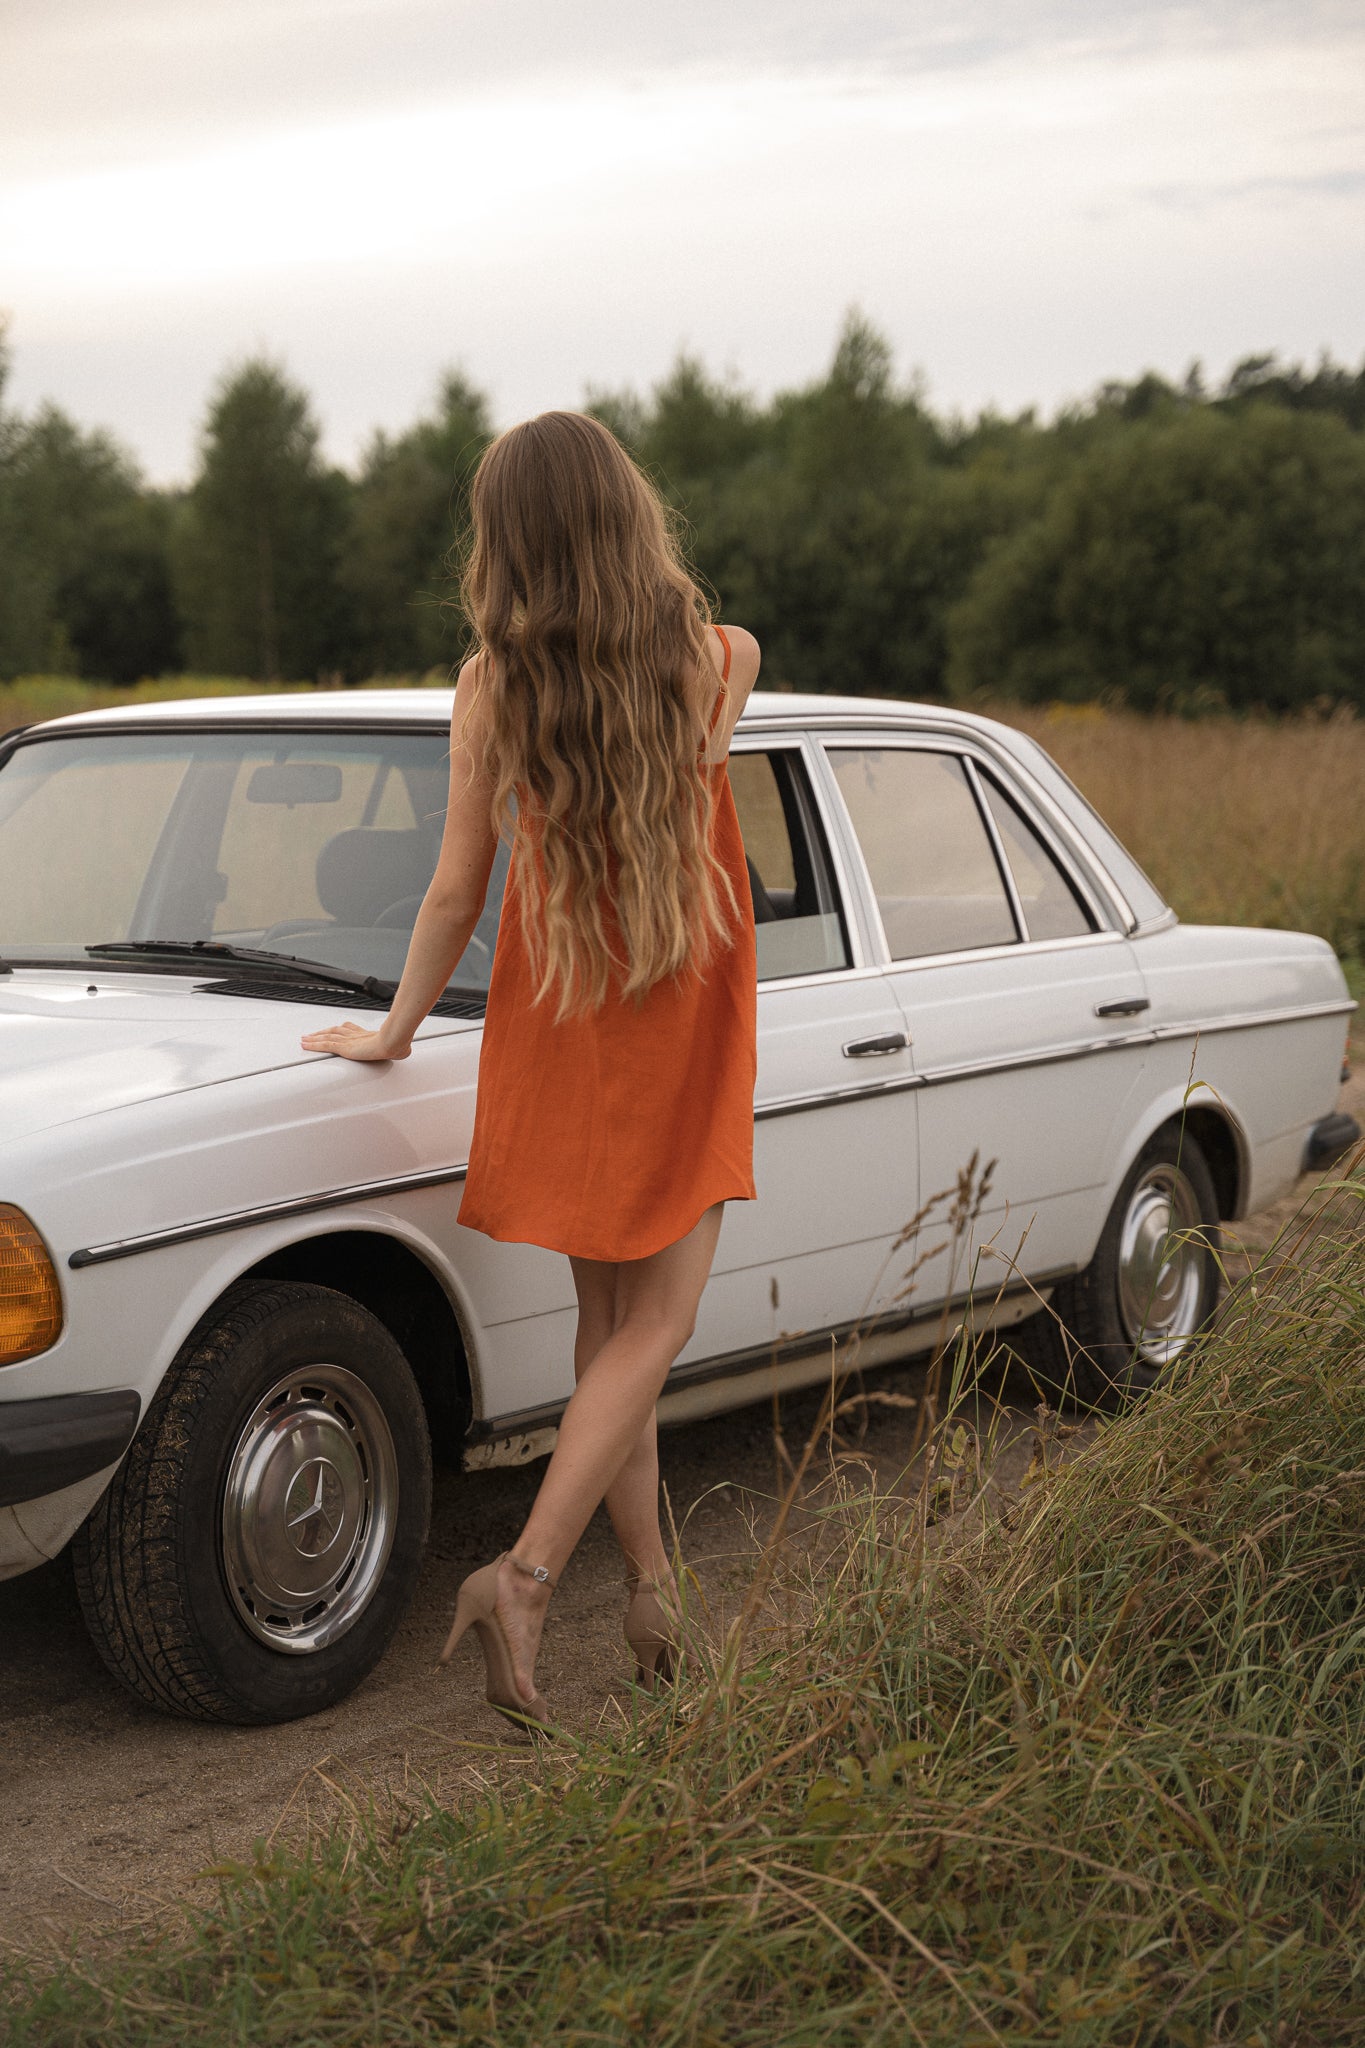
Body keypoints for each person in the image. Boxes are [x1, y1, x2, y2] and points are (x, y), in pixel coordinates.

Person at [301, 410, 760, 1731]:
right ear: (630, 515)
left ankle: (656, 1591)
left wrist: (391, 1031)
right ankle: (529, 1577)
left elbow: (456, 889)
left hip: (559, 1020)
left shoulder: (492, 685)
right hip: (678, 1016)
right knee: (657, 1327)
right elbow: (706, 723)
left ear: (505, 541)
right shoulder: (719, 658)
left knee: (608, 1329)